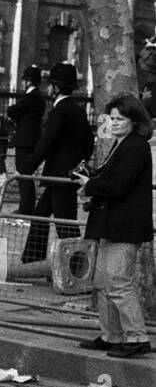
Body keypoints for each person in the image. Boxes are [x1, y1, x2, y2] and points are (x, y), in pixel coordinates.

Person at [73, 94, 153, 359]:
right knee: (103, 281)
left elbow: (120, 185)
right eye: (112, 118)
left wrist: (90, 185)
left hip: (124, 226)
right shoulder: (121, 144)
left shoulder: (137, 146)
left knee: (118, 281)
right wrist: (91, 179)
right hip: (110, 224)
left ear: (134, 121)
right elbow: (112, 181)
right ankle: (112, 336)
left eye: (121, 119)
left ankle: (137, 337)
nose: (115, 123)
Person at [20, 62, 93, 264]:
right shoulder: (79, 110)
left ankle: (77, 266)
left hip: (59, 174)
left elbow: (45, 144)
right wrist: (79, 162)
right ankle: (33, 261)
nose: (47, 88)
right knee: (40, 215)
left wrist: (26, 168)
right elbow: (88, 143)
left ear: (57, 87)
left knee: (65, 224)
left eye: (50, 84)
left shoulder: (59, 111)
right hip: (65, 173)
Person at [8, 64, 46, 215]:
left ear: (29, 81)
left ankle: (26, 207)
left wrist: (15, 116)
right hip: (31, 139)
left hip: (25, 140)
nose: (22, 83)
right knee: (26, 172)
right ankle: (27, 205)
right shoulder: (38, 98)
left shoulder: (31, 97)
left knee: (23, 172)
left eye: (24, 80)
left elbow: (12, 110)